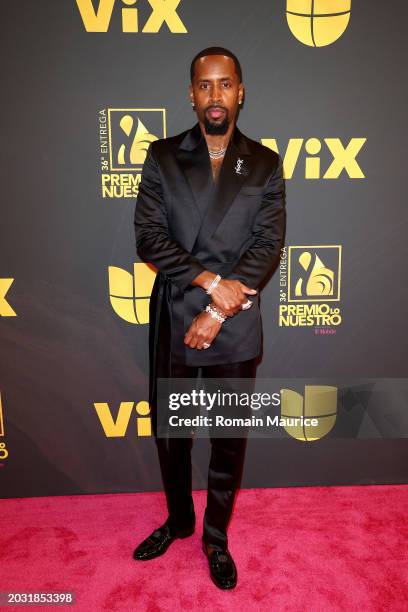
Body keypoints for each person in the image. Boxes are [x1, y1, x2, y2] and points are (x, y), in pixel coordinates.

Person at [133, 46, 286, 589]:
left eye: (225, 84)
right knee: (172, 435)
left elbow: (267, 245)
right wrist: (210, 285)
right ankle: (178, 521)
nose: (215, 95)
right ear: (192, 94)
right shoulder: (163, 156)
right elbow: (149, 238)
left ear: (240, 92)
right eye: (204, 85)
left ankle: (215, 536)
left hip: (235, 320)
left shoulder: (264, 162)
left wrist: (222, 309)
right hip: (177, 311)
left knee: (227, 438)